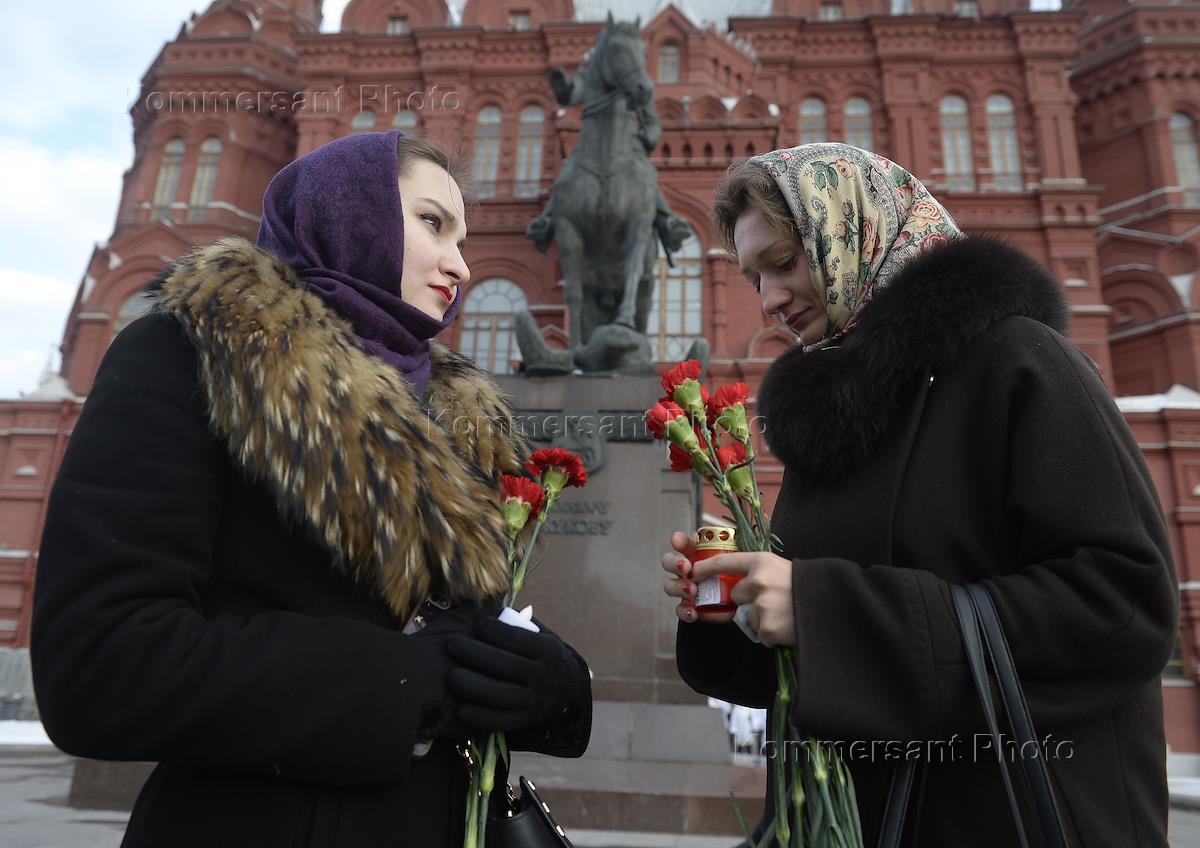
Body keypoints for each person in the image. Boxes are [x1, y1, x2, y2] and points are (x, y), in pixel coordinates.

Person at [31, 129, 592, 847]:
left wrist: (551, 683)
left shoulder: (454, 414)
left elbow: (454, 639)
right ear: (350, 212)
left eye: (464, 240)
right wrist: (407, 687)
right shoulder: (194, 356)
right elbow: (100, 664)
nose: (461, 264)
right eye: (433, 223)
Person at [661, 143, 1178, 846]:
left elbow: (1124, 605)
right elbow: (839, 665)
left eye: (783, 263)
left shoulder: (1021, 363)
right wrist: (735, 617)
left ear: (858, 230)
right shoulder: (834, 418)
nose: (770, 301)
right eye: (754, 278)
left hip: (1013, 819)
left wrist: (821, 608)